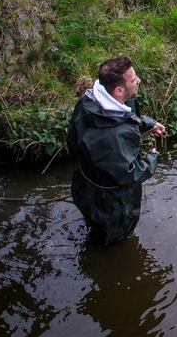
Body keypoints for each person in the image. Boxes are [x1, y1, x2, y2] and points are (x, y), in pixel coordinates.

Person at [68, 55, 166, 244]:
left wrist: (147, 124)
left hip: (85, 186)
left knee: (95, 228)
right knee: (114, 241)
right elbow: (128, 175)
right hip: (112, 204)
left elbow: (118, 117)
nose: (138, 80)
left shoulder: (89, 102)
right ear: (119, 90)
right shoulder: (113, 135)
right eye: (133, 79)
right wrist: (151, 160)